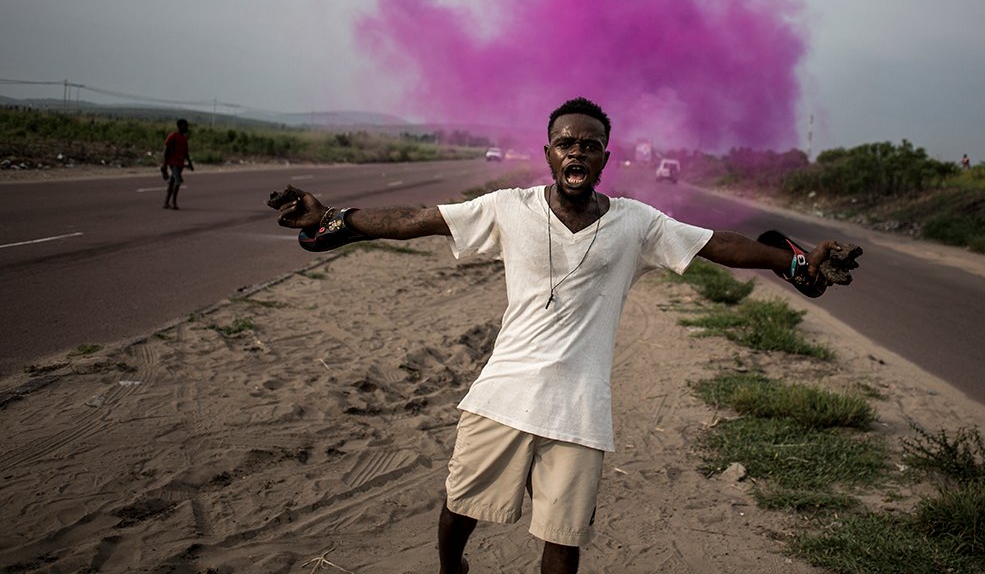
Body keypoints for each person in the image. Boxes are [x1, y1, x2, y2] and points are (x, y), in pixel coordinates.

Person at [270, 97, 857, 574]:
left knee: (564, 534)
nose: (577, 151)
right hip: (503, 392)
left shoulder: (637, 222)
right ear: (548, 152)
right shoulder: (509, 207)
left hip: (580, 403)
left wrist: (791, 263)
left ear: (606, 156)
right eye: (565, 142)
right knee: (459, 506)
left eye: (589, 144)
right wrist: (335, 222)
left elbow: (715, 244)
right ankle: (453, 571)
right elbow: (419, 220)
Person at [161, 118, 193, 209]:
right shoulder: (173, 136)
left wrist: (190, 163)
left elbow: (186, 153)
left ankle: (166, 202)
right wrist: (164, 164)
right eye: (185, 125)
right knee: (178, 181)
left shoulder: (184, 139)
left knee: (172, 182)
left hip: (180, 163)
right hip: (173, 162)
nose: (187, 127)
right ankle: (174, 202)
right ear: (180, 126)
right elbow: (166, 150)